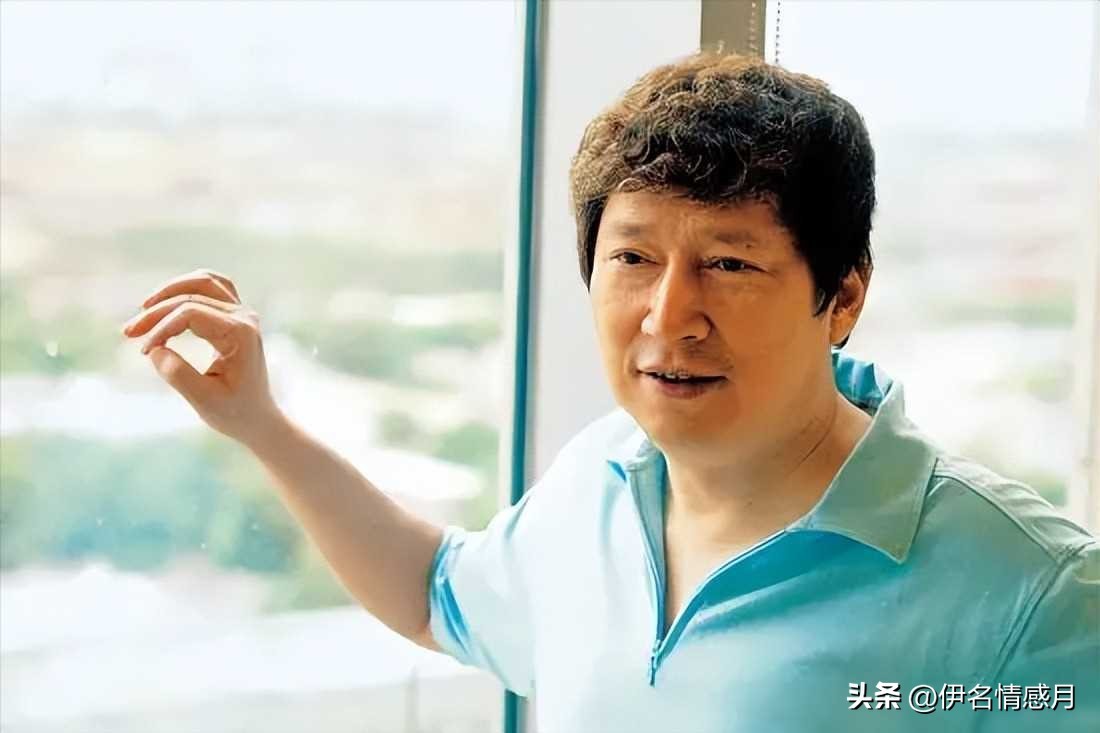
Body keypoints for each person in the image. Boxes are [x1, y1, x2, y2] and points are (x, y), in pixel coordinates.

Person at [121, 51, 1097, 731]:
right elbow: (436, 595)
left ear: (841, 295)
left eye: (728, 264)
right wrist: (260, 424)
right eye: (632, 257)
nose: (668, 316)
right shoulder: (604, 477)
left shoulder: (1038, 595)